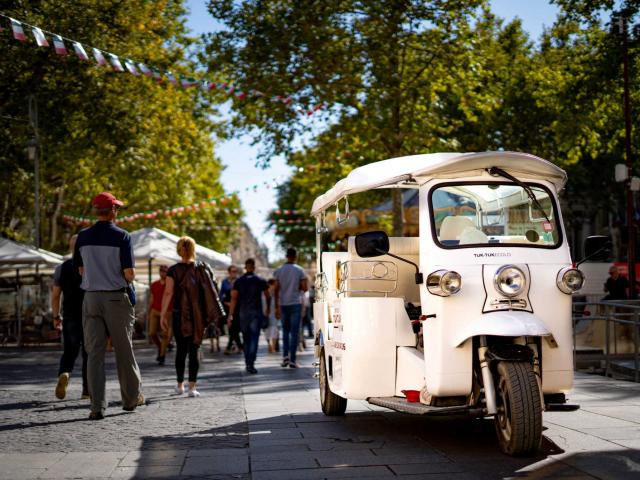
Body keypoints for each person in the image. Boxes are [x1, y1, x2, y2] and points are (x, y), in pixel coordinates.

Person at [73, 192, 143, 420]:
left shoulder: (82, 237)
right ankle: (131, 400)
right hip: (115, 299)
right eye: (117, 208)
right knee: (124, 351)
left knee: (94, 354)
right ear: (112, 211)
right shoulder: (123, 236)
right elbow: (129, 274)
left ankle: (96, 407)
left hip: (91, 298)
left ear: (96, 211)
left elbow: (81, 271)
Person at [161, 236, 223, 397]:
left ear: (179, 249)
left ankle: (180, 385)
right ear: (194, 249)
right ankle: (192, 388)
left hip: (178, 314)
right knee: (194, 349)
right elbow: (212, 291)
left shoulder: (173, 270)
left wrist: (162, 315)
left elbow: (168, 293)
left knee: (181, 350)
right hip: (198, 316)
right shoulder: (202, 268)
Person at [52, 234, 88, 400]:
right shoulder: (90, 266)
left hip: (69, 316)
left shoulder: (61, 268)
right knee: (89, 353)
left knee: (69, 352)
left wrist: (55, 316)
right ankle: (87, 391)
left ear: (70, 247)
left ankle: (64, 373)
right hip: (89, 314)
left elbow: (55, 295)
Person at [228, 258, 270, 374]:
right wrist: (268, 310)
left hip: (243, 314)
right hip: (256, 314)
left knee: (246, 339)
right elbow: (268, 295)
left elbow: (234, 299)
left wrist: (230, 316)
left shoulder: (239, 281)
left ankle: (248, 362)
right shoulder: (260, 280)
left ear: (245, 267)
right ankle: (251, 363)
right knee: (254, 339)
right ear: (254, 267)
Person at [274, 248, 308, 369]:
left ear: (286, 256)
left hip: (283, 304)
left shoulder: (279, 270)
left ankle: (285, 357)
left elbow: (276, 289)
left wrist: (276, 307)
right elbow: (305, 288)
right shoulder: (300, 270)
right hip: (295, 304)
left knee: (285, 331)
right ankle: (293, 360)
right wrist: (298, 285)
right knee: (294, 333)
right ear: (295, 256)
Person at [148, 265, 172, 365]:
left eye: (165, 271)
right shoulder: (154, 284)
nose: (163, 273)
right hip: (155, 310)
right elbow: (151, 298)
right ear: (159, 272)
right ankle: (161, 347)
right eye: (162, 271)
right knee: (152, 333)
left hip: (167, 311)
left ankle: (162, 356)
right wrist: (149, 312)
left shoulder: (170, 284)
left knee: (165, 335)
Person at [220, 265, 243, 355]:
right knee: (231, 327)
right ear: (229, 272)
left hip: (238, 307)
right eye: (232, 271)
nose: (234, 273)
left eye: (235, 271)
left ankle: (231, 346)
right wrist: (225, 302)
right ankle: (239, 346)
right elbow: (221, 294)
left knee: (235, 327)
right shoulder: (225, 282)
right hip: (227, 306)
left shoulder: (240, 281)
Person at [265, 279, 279, 353]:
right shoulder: (265, 294)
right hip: (267, 315)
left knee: (274, 330)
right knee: (267, 331)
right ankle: (270, 345)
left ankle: (272, 347)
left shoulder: (276, 294)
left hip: (274, 315)